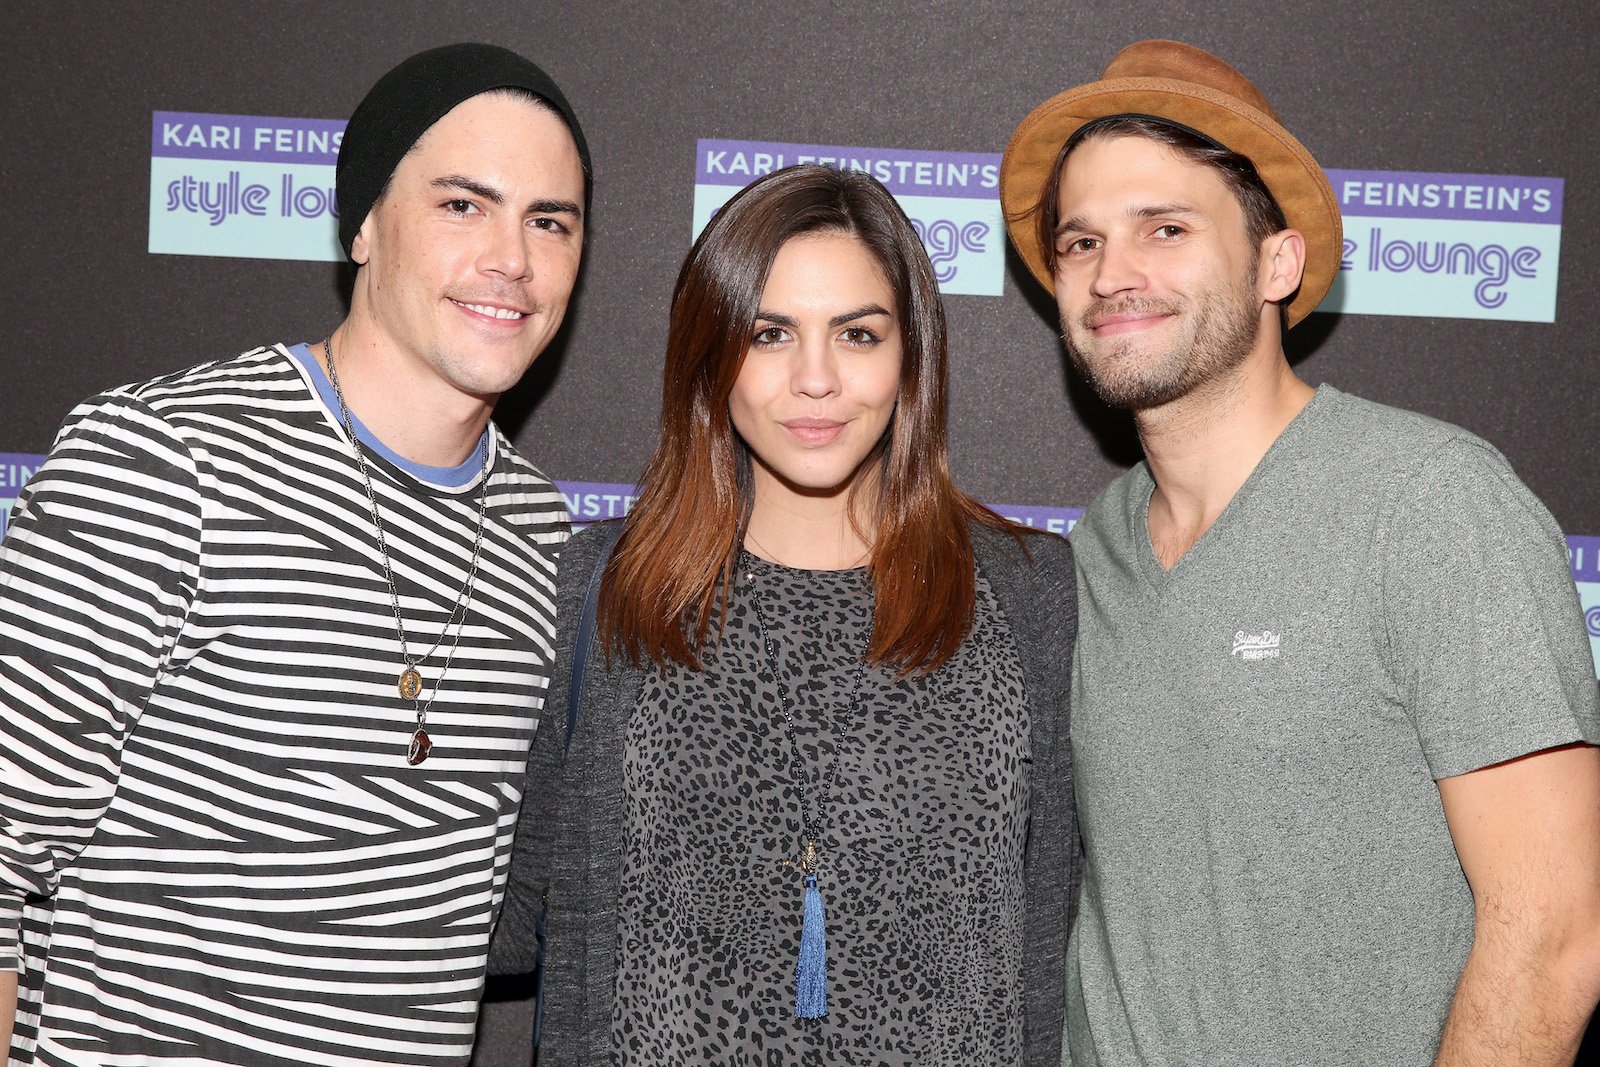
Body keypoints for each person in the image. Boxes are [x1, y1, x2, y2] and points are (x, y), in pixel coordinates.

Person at [999, 38, 1600, 1067]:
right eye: (1081, 242)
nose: (1114, 273)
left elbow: (1553, 938)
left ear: (1277, 261)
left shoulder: (1430, 503)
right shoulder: (1089, 551)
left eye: (1166, 228)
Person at [0, 43, 589, 1066]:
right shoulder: (168, 458)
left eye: (550, 220)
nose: (513, 257)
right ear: (363, 224)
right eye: (463, 205)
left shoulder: (544, 539)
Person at [489, 163, 1079, 1065]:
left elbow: (1052, 939)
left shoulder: (1029, 592)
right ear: (710, 351)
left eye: (856, 333)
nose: (816, 379)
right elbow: (491, 910)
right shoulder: (602, 590)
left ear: (910, 353)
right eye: (769, 333)